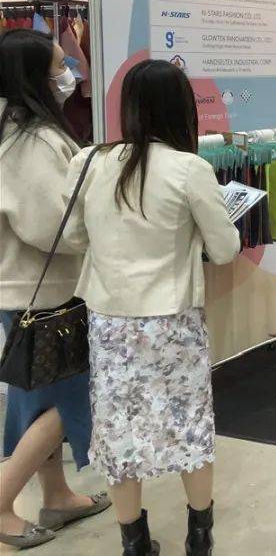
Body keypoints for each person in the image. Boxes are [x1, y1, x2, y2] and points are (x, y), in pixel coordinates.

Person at [62, 59, 240, 556]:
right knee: (190, 426)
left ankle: (134, 543)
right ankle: (199, 537)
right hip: (173, 322)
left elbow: (73, 238)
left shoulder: (88, 162)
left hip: (110, 323)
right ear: (183, 109)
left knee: (118, 431)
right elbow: (225, 249)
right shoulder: (190, 169)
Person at [0, 30, 112, 550]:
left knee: (41, 394)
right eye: (58, 68)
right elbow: (52, 225)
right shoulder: (32, 140)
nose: (69, 76)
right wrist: (102, 224)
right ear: (33, 78)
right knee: (68, 399)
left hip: (26, 287)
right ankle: (2, 500)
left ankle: (57, 495)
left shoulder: (17, 130)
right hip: (45, 290)